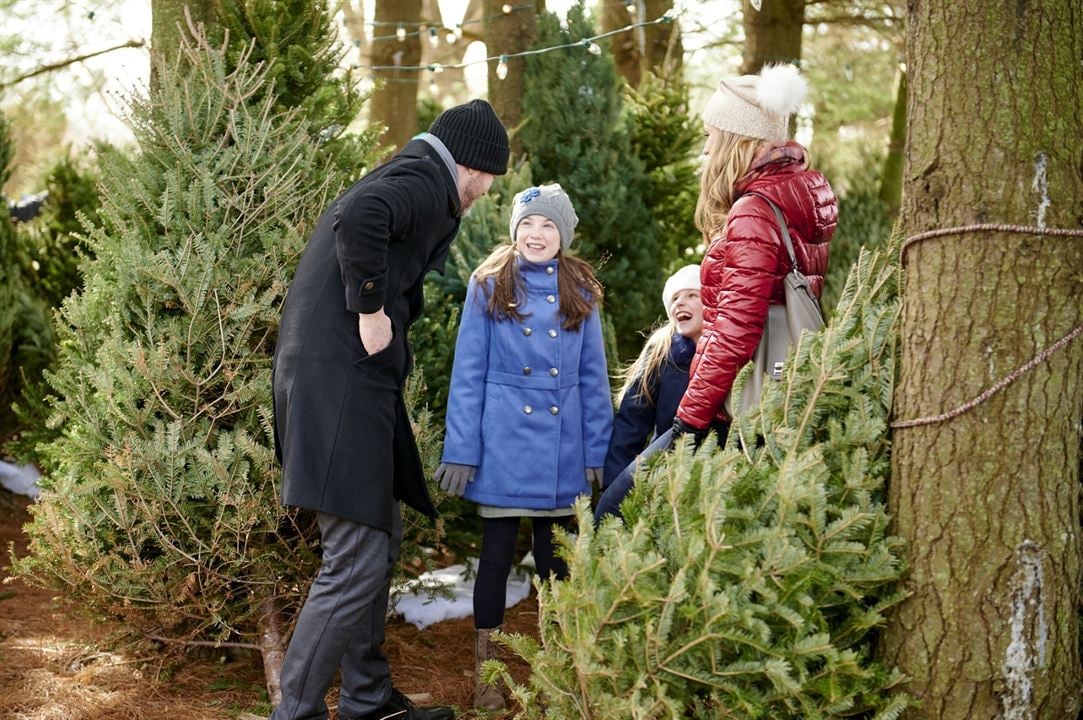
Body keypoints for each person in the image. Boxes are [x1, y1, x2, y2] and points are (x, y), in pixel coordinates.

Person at [270, 100, 510, 720]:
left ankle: (366, 700)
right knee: (355, 556)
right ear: (471, 164)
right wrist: (371, 308)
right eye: (488, 177)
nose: (485, 192)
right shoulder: (423, 182)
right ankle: (294, 712)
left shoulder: (411, 174)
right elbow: (361, 218)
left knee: (378, 537)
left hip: (346, 384)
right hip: (339, 385)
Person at [595, 63, 836, 522]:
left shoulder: (753, 212)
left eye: (711, 135)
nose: (705, 148)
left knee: (614, 512)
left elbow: (735, 327)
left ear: (736, 138)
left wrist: (689, 418)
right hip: (775, 394)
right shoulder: (793, 196)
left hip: (738, 400)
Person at [435, 183, 613, 711]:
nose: (537, 235)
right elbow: (468, 373)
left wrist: (596, 454)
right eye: (528, 225)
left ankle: (557, 670)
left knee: (554, 560)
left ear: (564, 235)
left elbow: (592, 379)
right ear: (515, 230)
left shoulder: (582, 288)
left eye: (549, 226)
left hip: (561, 452)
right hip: (503, 442)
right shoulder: (489, 283)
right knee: (494, 559)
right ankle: (487, 677)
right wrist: (461, 448)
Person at [601, 264, 702, 488]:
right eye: (674, 298)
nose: (680, 302)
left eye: (692, 295)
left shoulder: (729, 350)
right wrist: (614, 485)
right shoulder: (661, 352)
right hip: (667, 473)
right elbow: (632, 420)